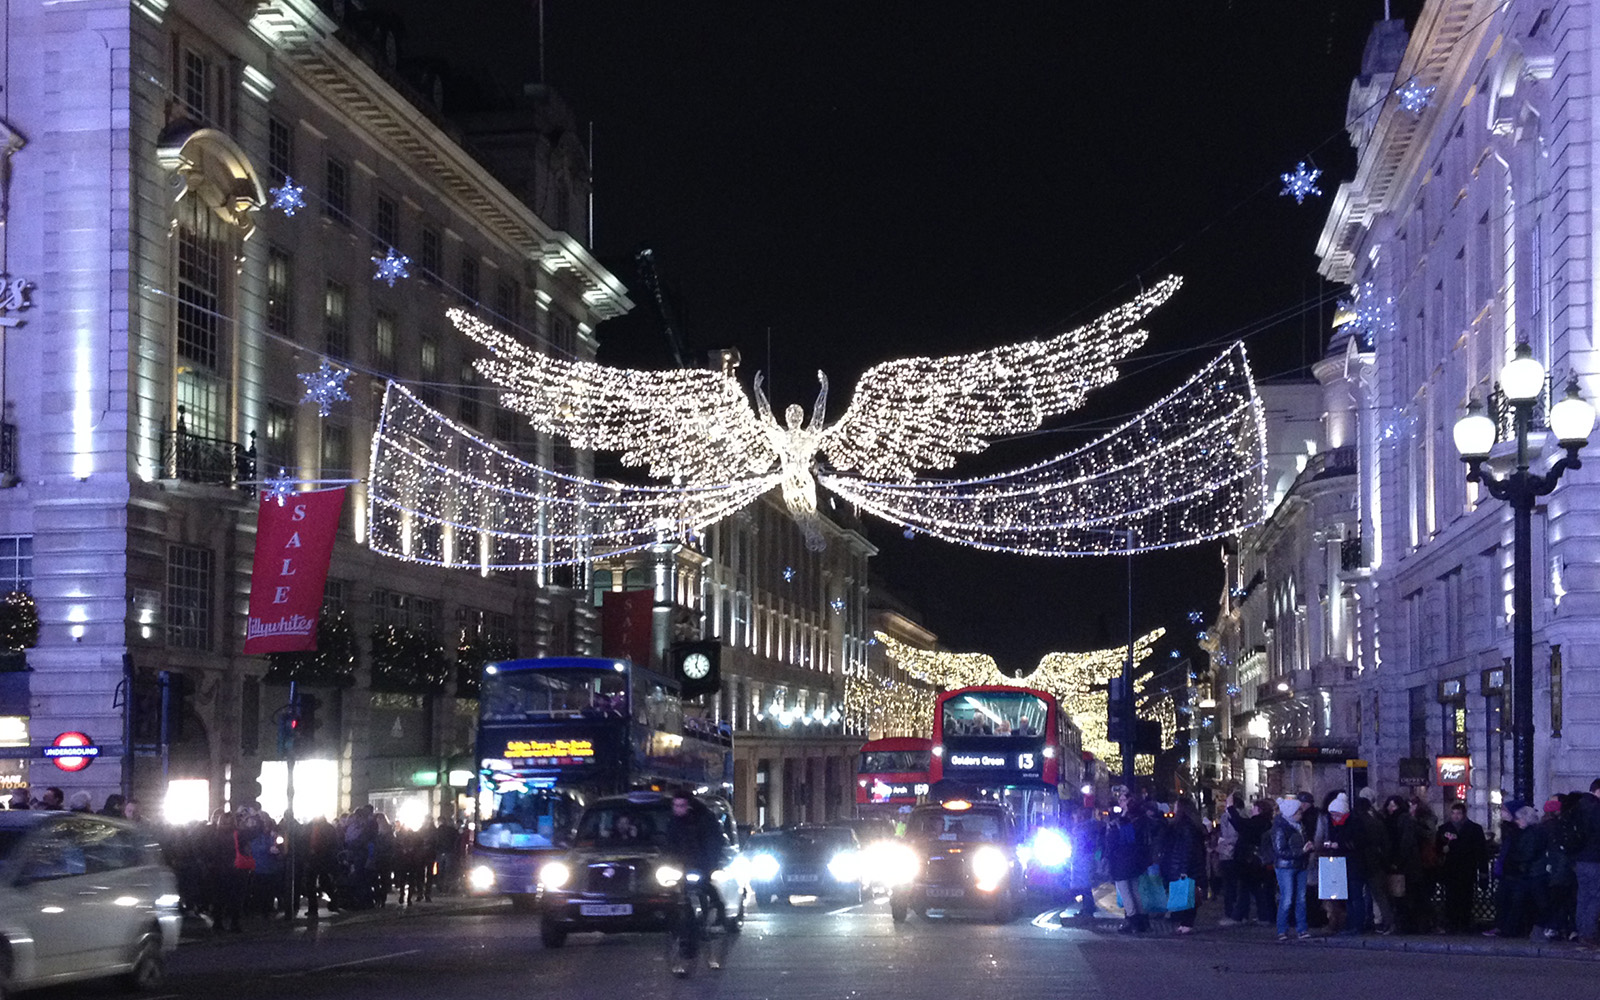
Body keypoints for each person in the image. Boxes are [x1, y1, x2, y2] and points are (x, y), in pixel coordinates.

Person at [663, 789, 726, 972]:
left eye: (681, 806)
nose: (677, 809)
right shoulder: (673, 822)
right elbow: (669, 844)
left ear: (689, 806)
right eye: (675, 805)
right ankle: (682, 936)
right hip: (683, 868)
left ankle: (718, 915)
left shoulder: (705, 819)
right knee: (677, 898)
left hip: (701, 866)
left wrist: (709, 865)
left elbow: (714, 843)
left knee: (708, 890)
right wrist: (668, 861)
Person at [1435, 801, 1487, 933]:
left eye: (1458, 813)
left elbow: (1481, 850)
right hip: (1450, 869)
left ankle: (1464, 922)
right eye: (1453, 813)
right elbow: (1437, 848)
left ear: (1463, 814)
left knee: (1466, 896)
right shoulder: (1444, 829)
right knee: (1451, 897)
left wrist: (1482, 870)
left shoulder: (1474, 829)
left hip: (1467, 868)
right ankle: (1452, 921)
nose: (1455, 816)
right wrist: (1442, 850)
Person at [1107, 791, 1154, 935]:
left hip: (1123, 859)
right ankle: (1142, 920)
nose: (1120, 803)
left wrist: (1113, 828)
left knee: (1125, 892)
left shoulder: (1126, 820)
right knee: (1134, 890)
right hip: (1135, 860)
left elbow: (1119, 840)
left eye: (1122, 800)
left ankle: (1133, 920)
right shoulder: (1141, 818)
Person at [1159, 798, 1207, 934]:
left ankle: (1186, 923)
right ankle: (1185, 922)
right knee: (1188, 894)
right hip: (1188, 866)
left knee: (1188, 895)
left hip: (1184, 866)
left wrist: (1183, 869)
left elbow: (1186, 850)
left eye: (1175, 805)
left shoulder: (1185, 827)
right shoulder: (1190, 825)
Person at [1272, 797, 1312, 941]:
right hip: (1286, 867)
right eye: (1299, 811)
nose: (1301, 814)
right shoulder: (1280, 828)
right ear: (1291, 813)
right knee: (1287, 898)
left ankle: (1302, 929)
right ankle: (1282, 929)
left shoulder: (1299, 826)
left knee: (1300, 898)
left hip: (1299, 864)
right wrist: (1302, 851)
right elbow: (1280, 850)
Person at [1353, 791, 1394, 933]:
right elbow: (1386, 843)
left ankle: (1373, 922)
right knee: (1379, 895)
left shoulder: (1357, 822)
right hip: (1376, 861)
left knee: (1364, 894)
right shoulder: (1377, 822)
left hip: (1362, 861)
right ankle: (1386, 922)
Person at [1541, 797, 1577, 941]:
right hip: (1562, 870)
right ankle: (1567, 928)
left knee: (1555, 901)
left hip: (1550, 870)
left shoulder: (1543, 827)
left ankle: (1554, 927)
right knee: (1567, 901)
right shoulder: (1562, 827)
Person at [1571, 778, 1600, 949]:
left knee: (1583, 897)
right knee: (1595, 897)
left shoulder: (1578, 806)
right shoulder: (1595, 809)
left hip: (1580, 859)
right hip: (1594, 859)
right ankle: (1588, 934)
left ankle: (1582, 931)